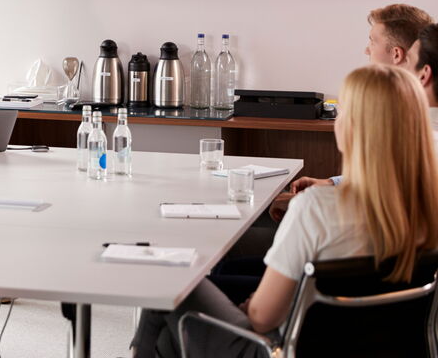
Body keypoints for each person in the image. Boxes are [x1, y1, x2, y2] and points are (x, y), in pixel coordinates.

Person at [132, 64, 438, 357]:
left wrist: (249, 304)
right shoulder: (429, 209)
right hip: (381, 347)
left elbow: (262, 318)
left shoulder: (316, 209)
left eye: (343, 112)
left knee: (165, 278)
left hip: (276, 349)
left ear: (354, 129)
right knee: (171, 337)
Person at [281, 3, 431, 195]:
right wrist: (332, 183)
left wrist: (310, 202)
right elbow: (381, 177)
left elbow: (385, 194)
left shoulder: (417, 123)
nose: (366, 51)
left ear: (396, 54)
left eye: (372, 42)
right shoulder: (403, 106)